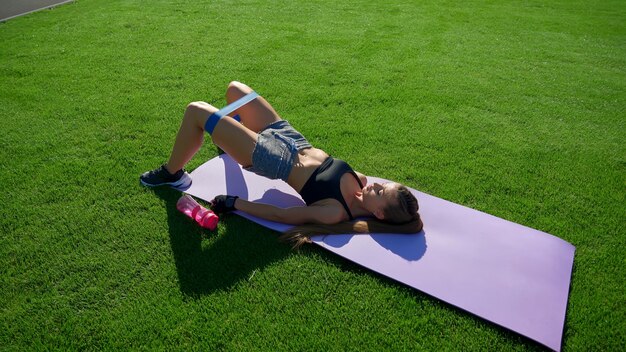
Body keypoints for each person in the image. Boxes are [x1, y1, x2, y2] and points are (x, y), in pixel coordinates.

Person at [140, 81, 423, 247]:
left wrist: (236, 203)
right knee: (235, 90)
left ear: (380, 214)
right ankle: (227, 138)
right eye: (384, 185)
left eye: (381, 192)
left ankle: (171, 173)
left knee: (196, 111)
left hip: (269, 156)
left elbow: (282, 216)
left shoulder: (335, 212)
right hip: (290, 135)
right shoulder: (360, 182)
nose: (376, 184)